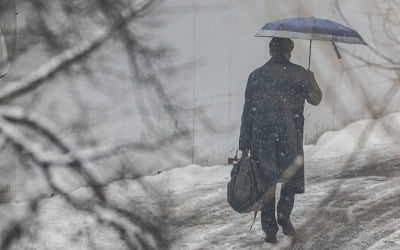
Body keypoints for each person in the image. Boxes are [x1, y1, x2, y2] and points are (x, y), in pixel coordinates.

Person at [239, 37, 322, 243]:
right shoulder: (299, 74)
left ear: (270, 52)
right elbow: (316, 99)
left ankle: (269, 229)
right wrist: (310, 78)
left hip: (262, 140)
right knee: (289, 179)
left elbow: (248, 112)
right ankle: (284, 217)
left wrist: (244, 143)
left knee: (267, 182)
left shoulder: (256, 76)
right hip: (289, 137)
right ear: (289, 52)